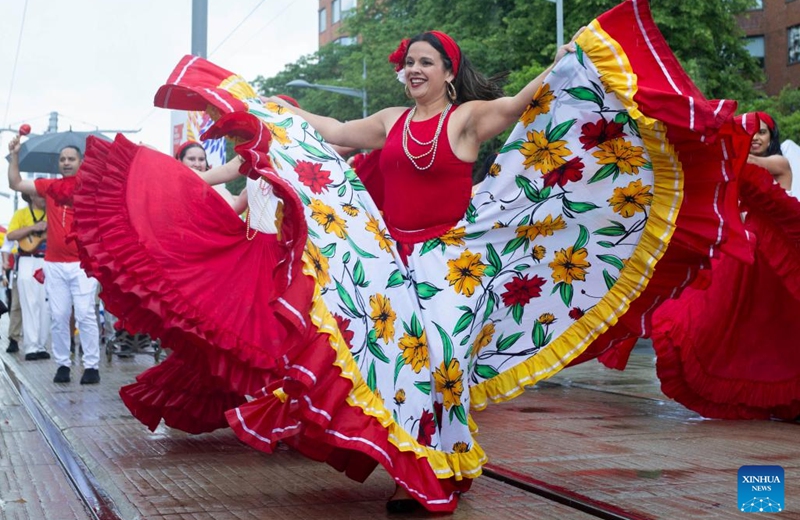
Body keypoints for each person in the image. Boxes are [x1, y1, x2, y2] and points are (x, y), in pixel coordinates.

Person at [72, 1, 752, 512]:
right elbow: (335, 132)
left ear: (447, 72)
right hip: (392, 261)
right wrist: (276, 111)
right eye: (407, 64)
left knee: (439, 358)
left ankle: (442, 462)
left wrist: (576, 55)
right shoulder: (393, 124)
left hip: (457, 263)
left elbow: (522, 104)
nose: (412, 70)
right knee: (392, 359)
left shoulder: (468, 117)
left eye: (424, 61)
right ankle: (419, 468)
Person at [649, 112, 800, 420]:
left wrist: (715, 144)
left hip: (771, 258)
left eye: (763, 134)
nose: (756, 138)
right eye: (751, 133)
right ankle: (754, 395)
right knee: (730, 324)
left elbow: (748, 164)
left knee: (772, 327)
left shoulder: (778, 164)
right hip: (742, 256)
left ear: (773, 139)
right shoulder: (734, 168)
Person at [6, 140, 101, 385]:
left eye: (71, 158)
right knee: (58, 315)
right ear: (58, 164)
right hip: (54, 263)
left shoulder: (92, 188)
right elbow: (15, 183)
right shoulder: (49, 187)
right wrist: (14, 155)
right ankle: (63, 365)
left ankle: (92, 366)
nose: (66, 162)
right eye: (62, 159)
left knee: (85, 314)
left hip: (83, 264)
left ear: (81, 162)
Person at [5, 192, 51, 361]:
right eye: (40, 196)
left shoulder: (53, 213)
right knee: (28, 304)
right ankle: (30, 347)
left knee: (45, 306)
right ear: (31, 197)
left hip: (47, 261)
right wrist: (33, 228)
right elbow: (10, 236)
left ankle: (41, 345)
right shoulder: (21, 214)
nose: (44, 199)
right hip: (26, 260)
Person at [175, 141, 236, 206]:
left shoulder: (214, 188)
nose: (197, 164)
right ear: (179, 161)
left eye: (201, 159)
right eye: (191, 159)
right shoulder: (171, 186)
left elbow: (233, 208)